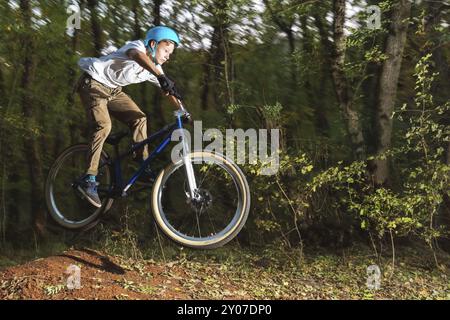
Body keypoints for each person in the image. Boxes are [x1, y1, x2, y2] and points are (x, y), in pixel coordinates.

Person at [75, 25, 182, 208]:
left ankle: (141, 162)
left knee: (140, 118)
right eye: (165, 50)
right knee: (104, 125)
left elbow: (169, 90)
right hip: (93, 83)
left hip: (113, 91)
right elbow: (136, 56)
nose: (168, 56)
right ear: (153, 44)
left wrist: (183, 111)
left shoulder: (155, 68)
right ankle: (88, 178)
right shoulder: (138, 47)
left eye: (170, 53)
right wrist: (160, 75)